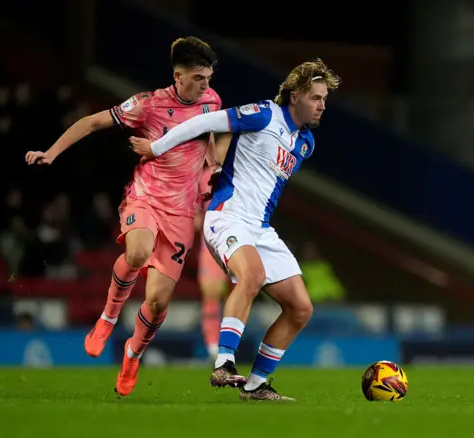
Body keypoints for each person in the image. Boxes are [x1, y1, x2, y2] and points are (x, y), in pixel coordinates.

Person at [25, 36, 228, 397]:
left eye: (209, 78)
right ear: (178, 76)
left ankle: (133, 355)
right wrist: (51, 153)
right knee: (136, 253)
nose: (206, 85)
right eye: (199, 78)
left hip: (182, 213)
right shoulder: (148, 105)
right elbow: (90, 122)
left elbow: (215, 142)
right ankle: (107, 317)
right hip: (145, 198)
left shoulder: (211, 103)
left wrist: (213, 167)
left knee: (157, 301)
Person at [130, 59, 341, 401]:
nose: (322, 105)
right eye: (316, 97)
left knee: (301, 307)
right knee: (252, 275)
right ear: (295, 96)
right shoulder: (262, 114)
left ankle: (257, 385)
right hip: (227, 216)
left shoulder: (305, 143)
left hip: (259, 228)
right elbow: (204, 122)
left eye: (324, 100)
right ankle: (224, 363)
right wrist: (156, 148)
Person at [196, 164, 230, 360]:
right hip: (211, 243)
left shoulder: (242, 170)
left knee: (240, 293)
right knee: (211, 294)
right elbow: (195, 214)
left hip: (238, 239)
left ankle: (228, 346)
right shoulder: (203, 177)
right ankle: (212, 346)